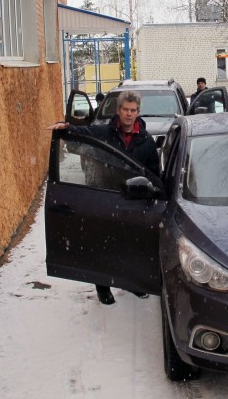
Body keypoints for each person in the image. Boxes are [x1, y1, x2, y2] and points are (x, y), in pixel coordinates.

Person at [47, 90, 159, 305]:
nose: (128, 114)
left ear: (138, 112)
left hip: (131, 198)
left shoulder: (146, 141)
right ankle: (103, 286)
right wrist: (67, 128)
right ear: (118, 110)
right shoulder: (105, 133)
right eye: (125, 109)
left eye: (133, 110)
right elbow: (84, 132)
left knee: (129, 244)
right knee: (103, 243)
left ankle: (131, 282)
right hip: (104, 194)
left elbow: (154, 171)